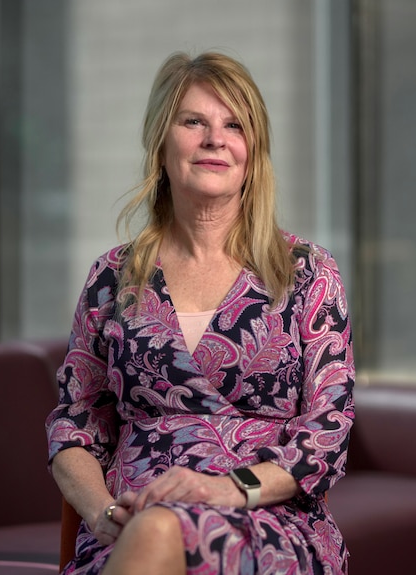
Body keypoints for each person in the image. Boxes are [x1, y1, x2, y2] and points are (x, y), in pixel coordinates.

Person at [46, 51, 355, 575]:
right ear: (161, 142)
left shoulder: (307, 273)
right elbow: (76, 423)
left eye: (235, 125)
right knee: (154, 530)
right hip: (131, 522)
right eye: (194, 121)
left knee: (166, 529)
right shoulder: (113, 277)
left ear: (252, 151)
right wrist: (101, 512)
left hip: (267, 518)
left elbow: (329, 428)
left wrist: (227, 490)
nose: (215, 139)